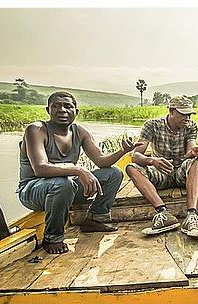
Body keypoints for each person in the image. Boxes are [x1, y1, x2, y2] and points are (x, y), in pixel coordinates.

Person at [17, 91, 140, 254]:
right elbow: (40, 168)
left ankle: (95, 219)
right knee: (63, 183)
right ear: (48, 110)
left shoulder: (80, 132)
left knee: (114, 173)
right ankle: (52, 237)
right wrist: (79, 169)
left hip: (66, 189)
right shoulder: (36, 130)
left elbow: (101, 161)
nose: (62, 110)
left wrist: (122, 151)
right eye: (56, 106)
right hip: (33, 191)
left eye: (68, 106)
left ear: (76, 111)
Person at [126, 95, 198, 238]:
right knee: (131, 168)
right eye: (183, 114)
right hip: (160, 173)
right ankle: (163, 214)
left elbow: (189, 152)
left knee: (195, 161)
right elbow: (136, 155)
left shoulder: (191, 126)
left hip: (181, 174)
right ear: (171, 111)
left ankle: (191, 217)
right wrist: (153, 161)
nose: (187, 118)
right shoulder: (152, 125)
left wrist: (194, 152)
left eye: (189, 114)